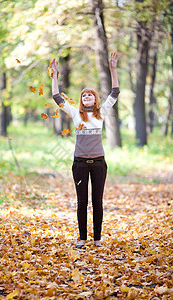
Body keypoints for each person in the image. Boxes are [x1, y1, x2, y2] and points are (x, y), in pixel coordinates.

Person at [51, 53, 120, 248]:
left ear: (95, 99)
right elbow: (57, 97)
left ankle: (97, 239)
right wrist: (55, 75)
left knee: (97, 202)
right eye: (84, 95)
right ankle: (83, 238)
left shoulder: (101, 113)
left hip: (99, 163)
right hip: (80, 164)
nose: (87, 96)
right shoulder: (75, 113)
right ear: (81, 100)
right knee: (82, 202)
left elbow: (115, 92)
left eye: (90, 94)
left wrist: (113, 70)